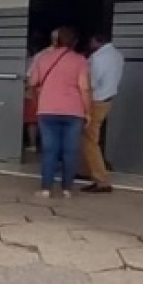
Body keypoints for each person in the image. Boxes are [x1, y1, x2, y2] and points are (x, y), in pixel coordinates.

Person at [28, 26, 92, 198]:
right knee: (70, 151)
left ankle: (46, 189)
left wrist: (38, 102)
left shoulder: (43, 59)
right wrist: (88, 112)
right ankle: (67, 189)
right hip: (74, 112)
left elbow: (32, 83)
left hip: (47, 110)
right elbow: (84, 88)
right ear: (75, 42)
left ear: (55, 40)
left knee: (50, 150)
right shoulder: (80, 60)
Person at [81, 32, 124, 194]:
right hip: (107, 100)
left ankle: (101, 180)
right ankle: (89, 171)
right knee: (91, 138)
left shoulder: (98, 58)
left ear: (96, 40)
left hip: (95, 101)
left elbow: (90, 83)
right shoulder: (117, 55)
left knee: (89, 141)